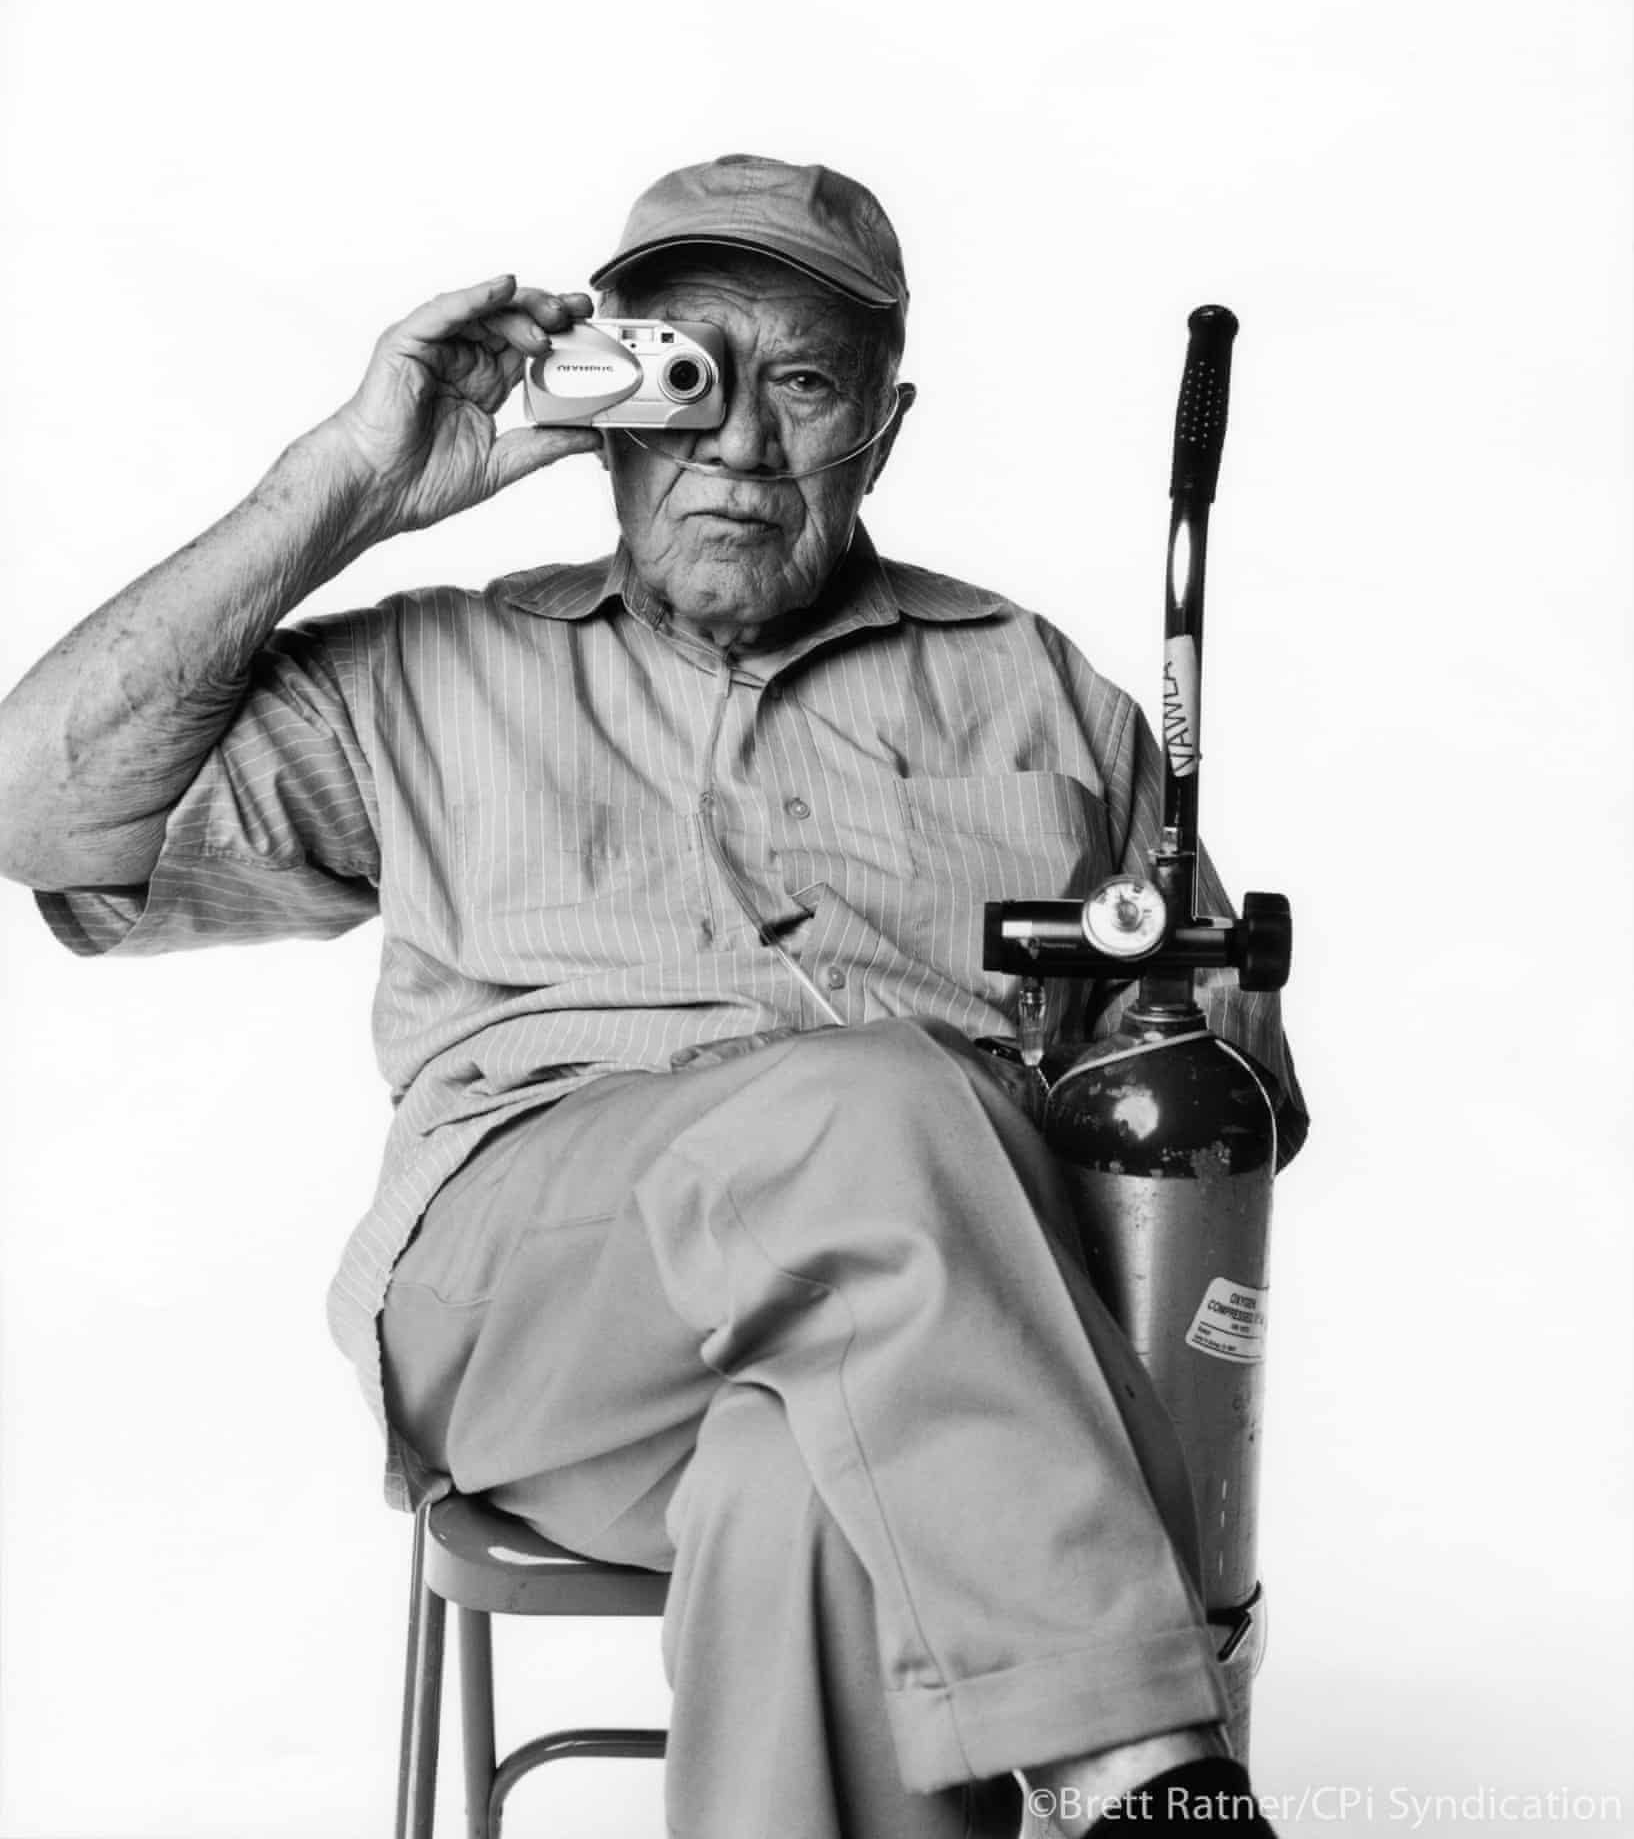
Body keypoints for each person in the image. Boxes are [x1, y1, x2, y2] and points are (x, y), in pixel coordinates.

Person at [0, 153, 1306, 1839]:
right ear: (600, 406)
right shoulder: (423, 671)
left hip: (924, 1365)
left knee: (816, 1488)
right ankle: (1154, 1783)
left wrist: (1171, 1042)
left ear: (883, 431)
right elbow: (31, 815)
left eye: (806, 385)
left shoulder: (1042, 693)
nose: (739, 443)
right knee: (873, 1098)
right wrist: (350, 480)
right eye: (686, 375)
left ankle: (1071, 1709)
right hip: (542, 1318)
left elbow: (1221, 1120)